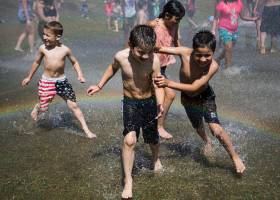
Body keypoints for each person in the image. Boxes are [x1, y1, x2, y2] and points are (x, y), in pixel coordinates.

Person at [87, 25, 164, 199]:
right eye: (140, 52)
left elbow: (159, 84)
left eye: (148, 52)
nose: (145, 57)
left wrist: (160, 104)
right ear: (130, 44)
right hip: (130, 103)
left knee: (152, 139)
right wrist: (99, 85)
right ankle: (128, 180)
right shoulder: (121, 57)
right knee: (130, 140)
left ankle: (155, 158)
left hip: (150, 102)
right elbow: (112, 68)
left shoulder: (154, 60)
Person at [154, 30, 246, 174]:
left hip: (205, 97)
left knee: (216, 129)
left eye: (207, 55)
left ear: (213, 52)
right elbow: (159, 48)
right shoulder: (184, 53)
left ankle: (234, 157)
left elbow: (195, 86)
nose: (203, 59)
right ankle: (207, 141)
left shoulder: (213, 66)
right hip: (187, 98)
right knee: (197, 127)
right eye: (199, 55)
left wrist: (168, 83)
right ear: (193, 51)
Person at [21, 21, 96, 139]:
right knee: (44, 108)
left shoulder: (65, 50)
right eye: (44, 34)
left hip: (62, 82)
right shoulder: (42, 48)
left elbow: (75, 62)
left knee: (73, 106)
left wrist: (80, 75)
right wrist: (29, 77)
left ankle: (87, 131)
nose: (44, 37)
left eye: (47, 35)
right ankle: (38, 106)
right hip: (47, 82)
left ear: (58, 36)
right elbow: (36, 62)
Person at [148, 0, 185, 139]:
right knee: (169, 95)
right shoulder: (155, 25)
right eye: (176, 19)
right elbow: (138, 34)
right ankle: (159, 127)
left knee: (156, 97)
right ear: (167, 15)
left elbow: (176, 42)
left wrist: (184, 59)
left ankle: (154, 124)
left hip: (162, 68)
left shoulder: (175, 24)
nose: (177, 22)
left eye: (180, 19)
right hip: (151, 67)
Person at [211, 0, 258, 69]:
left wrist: (253, 19)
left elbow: (243, 17)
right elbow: (215, 18)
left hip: (234, 30)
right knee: (229, 47)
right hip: (224, 28)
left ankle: (218, 59)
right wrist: (213, 30)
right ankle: (228, 69)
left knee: (228, 49)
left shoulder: (239, 3)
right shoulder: (221, 4)